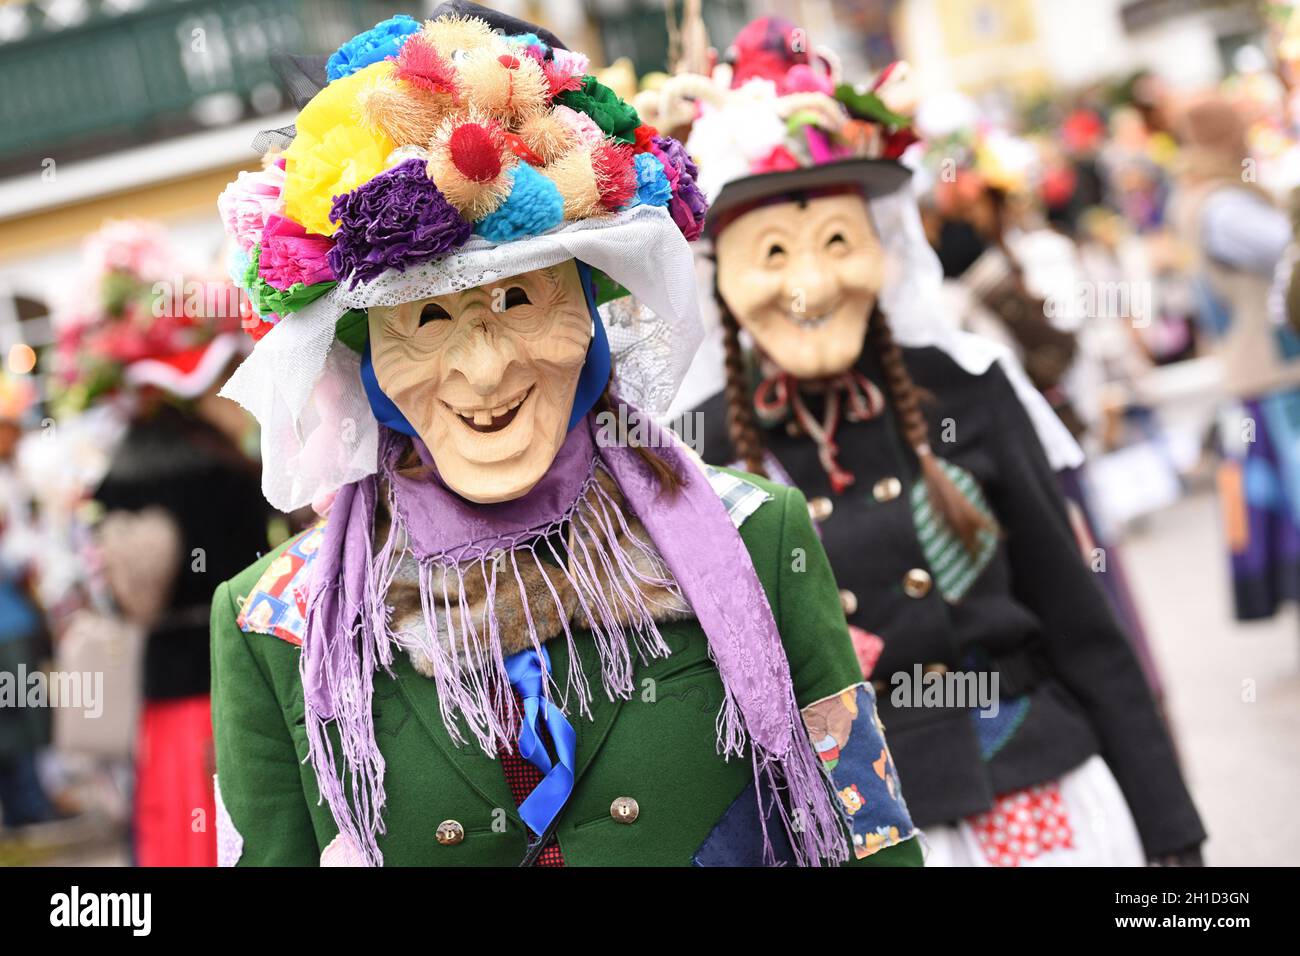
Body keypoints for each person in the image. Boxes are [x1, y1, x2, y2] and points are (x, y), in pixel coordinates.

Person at [209, 3, 919, 868]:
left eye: (519, 301)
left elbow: (871, 833)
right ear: (365, 364)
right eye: (427, 320)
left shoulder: (757, 537)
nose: (483, 370)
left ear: (591, 315)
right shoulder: (275, 626)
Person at [688, 19, 1204, 866]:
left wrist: (1173, 834)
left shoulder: (968, 389)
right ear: (722, 280)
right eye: (771, 254)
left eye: (837, 244)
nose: (810, 286)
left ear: (883, 251)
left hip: (1033, 796)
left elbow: (1082, 620)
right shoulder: (694, 451)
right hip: (855, 833)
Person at [52, 219, 269, 865]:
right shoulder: (231, 463)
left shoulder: (118, 476)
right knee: (235, 810)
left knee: (179, 822)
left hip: (170, 682)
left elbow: (120, 593)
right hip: (234, 663)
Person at [1173, 95, 1300, 622]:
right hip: (1276, 371)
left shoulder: (1205, 196)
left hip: (1263, 371)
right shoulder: (1223, 205)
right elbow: (1284, 247)